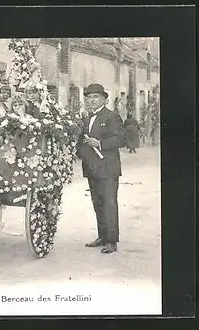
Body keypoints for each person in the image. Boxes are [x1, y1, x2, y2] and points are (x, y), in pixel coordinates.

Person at [78, 83, 126, 254]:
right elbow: (82, 142)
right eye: (89, 97)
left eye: (95, 97)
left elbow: (121, 139)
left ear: (104, 99)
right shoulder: (86, 118)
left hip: (108, 168)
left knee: (109, 204)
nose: (91, 100)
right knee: (98, 203)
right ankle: (102, 237)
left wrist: (100, 143)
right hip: (92, 168)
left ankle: (112, 241)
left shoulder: (111, 116)